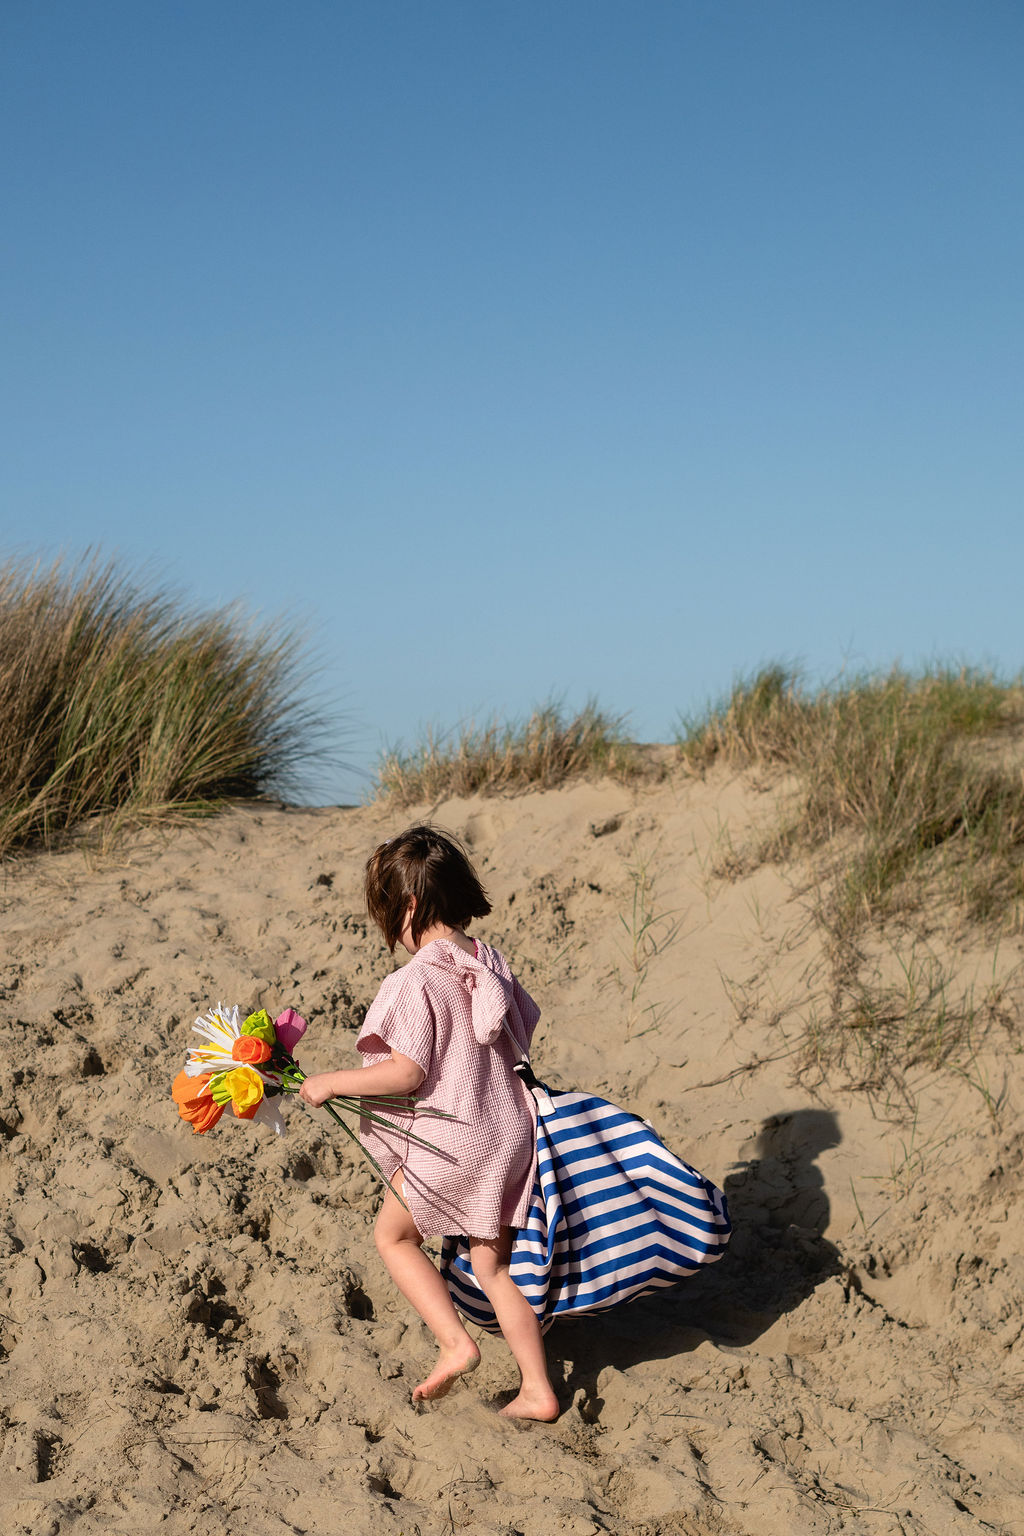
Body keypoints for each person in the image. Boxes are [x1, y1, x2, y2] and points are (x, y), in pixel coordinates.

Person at [298, 824, 559, 1422]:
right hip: (508, 1136)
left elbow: (404, 1072)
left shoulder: (417, 979)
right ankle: (539, 1390)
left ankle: (455, 1343)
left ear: (409, 905)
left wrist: (331, 1082)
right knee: (492, 1269)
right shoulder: (488, 961)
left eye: (388, 912)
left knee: (392, 1236)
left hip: (454, 1141)